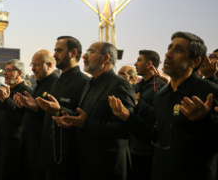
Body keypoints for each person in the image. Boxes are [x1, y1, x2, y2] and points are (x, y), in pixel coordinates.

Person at [109, 31, 218, 180]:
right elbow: (155, 137)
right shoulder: (161, 95)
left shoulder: (209, 92)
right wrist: (127, 117)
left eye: (178, 50)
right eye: (169, 48)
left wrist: (204, 120)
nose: (168, 54)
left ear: (195, 61)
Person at [53, 42, 135, 180]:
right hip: (86, 164)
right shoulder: (90, 84)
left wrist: (86, 124)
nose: (84, 55)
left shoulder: (119, 85)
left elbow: (126, 128)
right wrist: (70, 120)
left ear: (105, 58)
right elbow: (84, 118)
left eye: (90, 52)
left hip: (108, 166)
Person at [36, 36, 90, 180]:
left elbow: (85, 120)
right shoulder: (56, 82)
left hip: (69, 161)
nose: (54, 55)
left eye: (59, 51)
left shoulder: (85, 83)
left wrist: (60, 110)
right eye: (55, 50)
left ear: (72, 53)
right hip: (49, 157)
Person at [0, 59, 33, 180]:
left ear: (19, 73)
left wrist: (5, 100)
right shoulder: (7, 92)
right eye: (4, 70)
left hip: (13, 148)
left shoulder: (26, 93)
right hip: (0, 144)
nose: (4, 73)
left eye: (8, 70)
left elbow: (21, 118)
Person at [15, 49, 59, 180]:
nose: (33, 69)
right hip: (29, 146)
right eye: (32, 65)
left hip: (40, 148)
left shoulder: (55, 85)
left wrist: (37, 108)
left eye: (37, 65)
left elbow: (54, 114)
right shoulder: (40, 84)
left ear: (49, 65)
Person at [131, 50, 164, 180]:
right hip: (133, 144)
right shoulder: (136, 87)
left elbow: (158, 115)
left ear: (149, 64)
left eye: (139, 60)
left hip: (149, 147)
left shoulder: (160, 86)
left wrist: (138, 102)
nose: (135, 63)